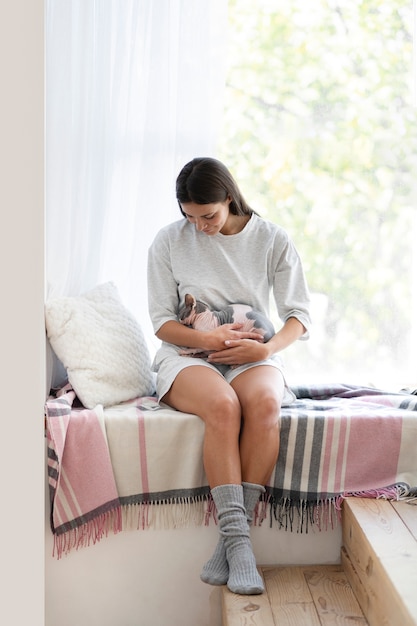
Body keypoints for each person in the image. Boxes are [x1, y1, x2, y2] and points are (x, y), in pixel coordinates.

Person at [147, 157, 311, 595]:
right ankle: (241, 546)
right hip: (189, 355)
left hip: (252, 353)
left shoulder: (272, 239)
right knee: (223, 406)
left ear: (229, 198)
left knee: (264, 404)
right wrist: (212, 340)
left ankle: (230, 545)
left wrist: (267, 349)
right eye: (190, 217)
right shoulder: (168, 241)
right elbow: (162, 323)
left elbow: (299, 315)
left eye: (209, 216)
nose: (200, 226)